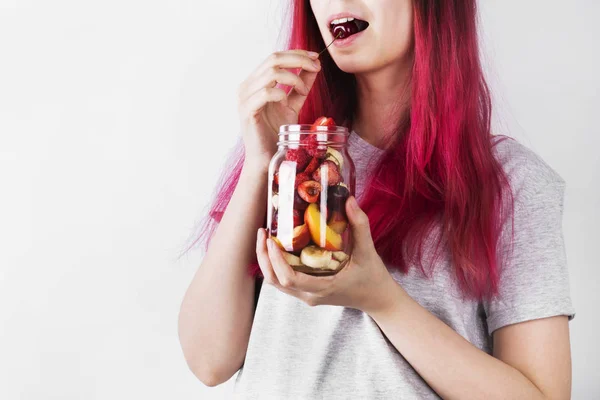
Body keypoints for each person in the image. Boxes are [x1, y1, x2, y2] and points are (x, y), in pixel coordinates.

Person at [178, 0, 576, 398]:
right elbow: (210, 361)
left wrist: (382, 300)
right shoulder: (292, 156)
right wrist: (261, 161)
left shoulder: (513, 182)